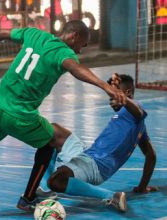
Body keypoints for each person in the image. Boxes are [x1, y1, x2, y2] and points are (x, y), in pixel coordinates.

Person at [0, 20, 125, 220]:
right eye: (82, 44)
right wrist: (106, 86)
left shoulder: (34, 34)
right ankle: (29, 198)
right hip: (20, 115)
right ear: (74, 35)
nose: (81, 49)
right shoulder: (63, 53)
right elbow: (76, 68)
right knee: (50, 142)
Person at [38, 74, 158, 212]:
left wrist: (124, 100)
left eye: (114, 94)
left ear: (128, 93)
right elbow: (151, 155)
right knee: (51, 131)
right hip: (86, 154)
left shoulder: (134, 110)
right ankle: (45, 190)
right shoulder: (138, 126)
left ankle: (111, 196)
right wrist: (142, 187)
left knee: (56, 181)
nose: (110, 99)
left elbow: (138, 111)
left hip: (95, 165)